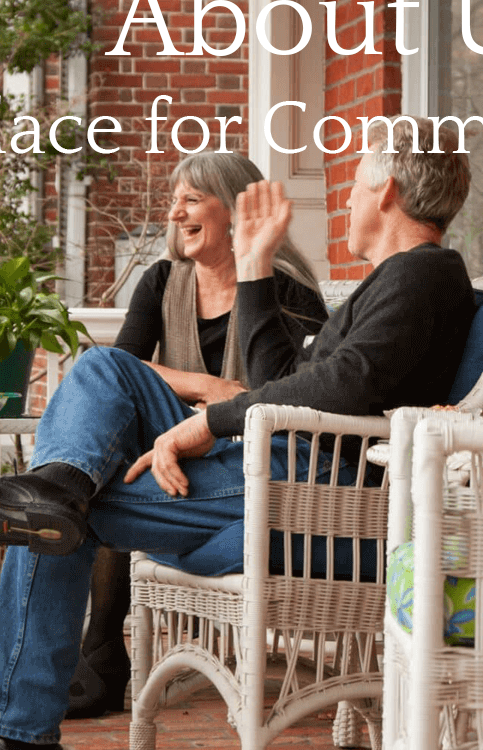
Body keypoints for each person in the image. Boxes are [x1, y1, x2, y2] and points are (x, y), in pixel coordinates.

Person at [0, 118, 478, 750]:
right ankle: (58, 486)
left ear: (388, 190)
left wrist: (209, 422)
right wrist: (255, 265)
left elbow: (340, 388)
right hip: (280, 466)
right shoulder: (399, 280)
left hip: (318, 491)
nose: (346, 197)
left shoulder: (423, 275)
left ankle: (17, 730)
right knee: (104, 373)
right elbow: (287, 379)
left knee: (55, 516)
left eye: (353, 181)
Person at [64, 152, 329, 717]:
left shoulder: (287, 293)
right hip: (171, 445)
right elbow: (124, 368)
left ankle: (101, 654)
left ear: (237, 211)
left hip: (251, 458)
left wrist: (229, 404)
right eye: (174, 199)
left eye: (191, 198)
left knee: (102, 481)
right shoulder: (162, 281)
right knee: (106, 402)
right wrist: (209, 385)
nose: (175, 211)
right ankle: (101, 650)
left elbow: (292, 401)